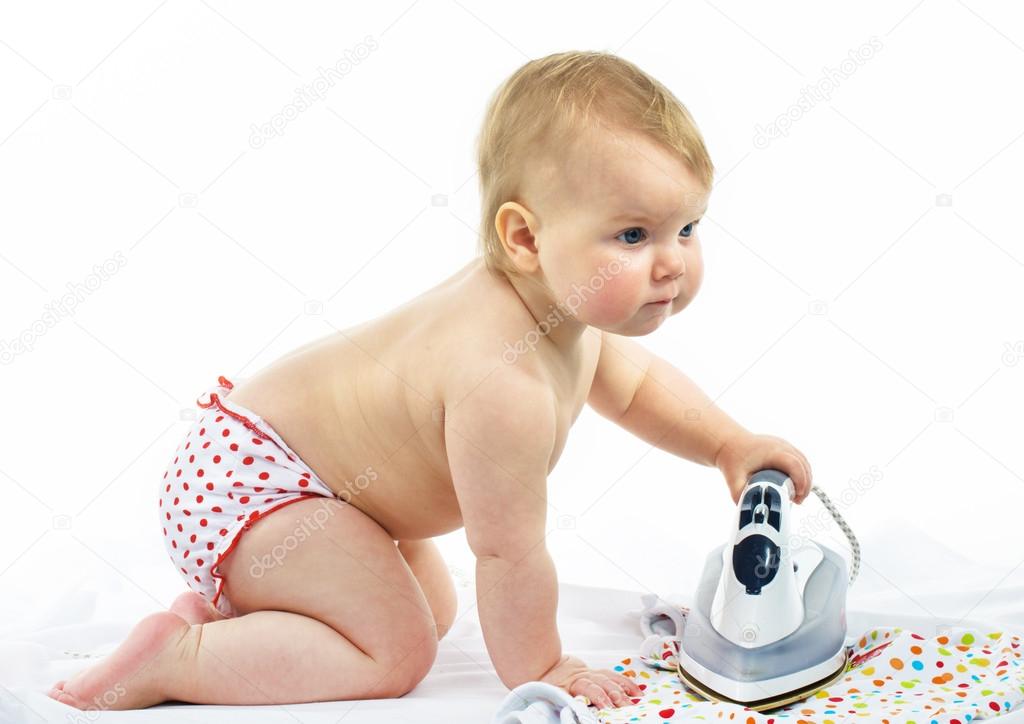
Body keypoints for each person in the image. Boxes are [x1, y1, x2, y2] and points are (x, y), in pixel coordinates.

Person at [48, 49, 812, 712]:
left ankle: (235, 619)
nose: (673, 262)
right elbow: (509, 554)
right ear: (526, 238)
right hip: (257, 486)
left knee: (435, 610)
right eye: (634, 235)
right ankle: (171, 661)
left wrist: (726, 445)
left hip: (298, 475)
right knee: (397, 651)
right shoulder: (500, 382)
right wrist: (540, 666)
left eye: (687, 227)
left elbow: (638, 388)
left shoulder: (555, 307)